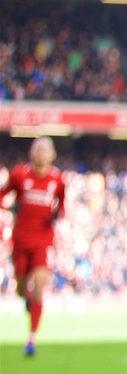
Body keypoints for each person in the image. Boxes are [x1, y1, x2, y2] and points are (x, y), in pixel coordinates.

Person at [1, 137, 65, 357]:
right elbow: (2, 194)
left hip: (43, 239)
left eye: (45, 150)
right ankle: (26, 298)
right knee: (20, 288)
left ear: (53, 154)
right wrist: (10, 208)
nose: (41, 153)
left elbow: (62, 205)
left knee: (38, 285)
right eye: (37, 149)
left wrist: (58, 215)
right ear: (31, 153)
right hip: (20, 239)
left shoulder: (57, 179)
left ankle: (31, 339)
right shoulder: (19, 175)